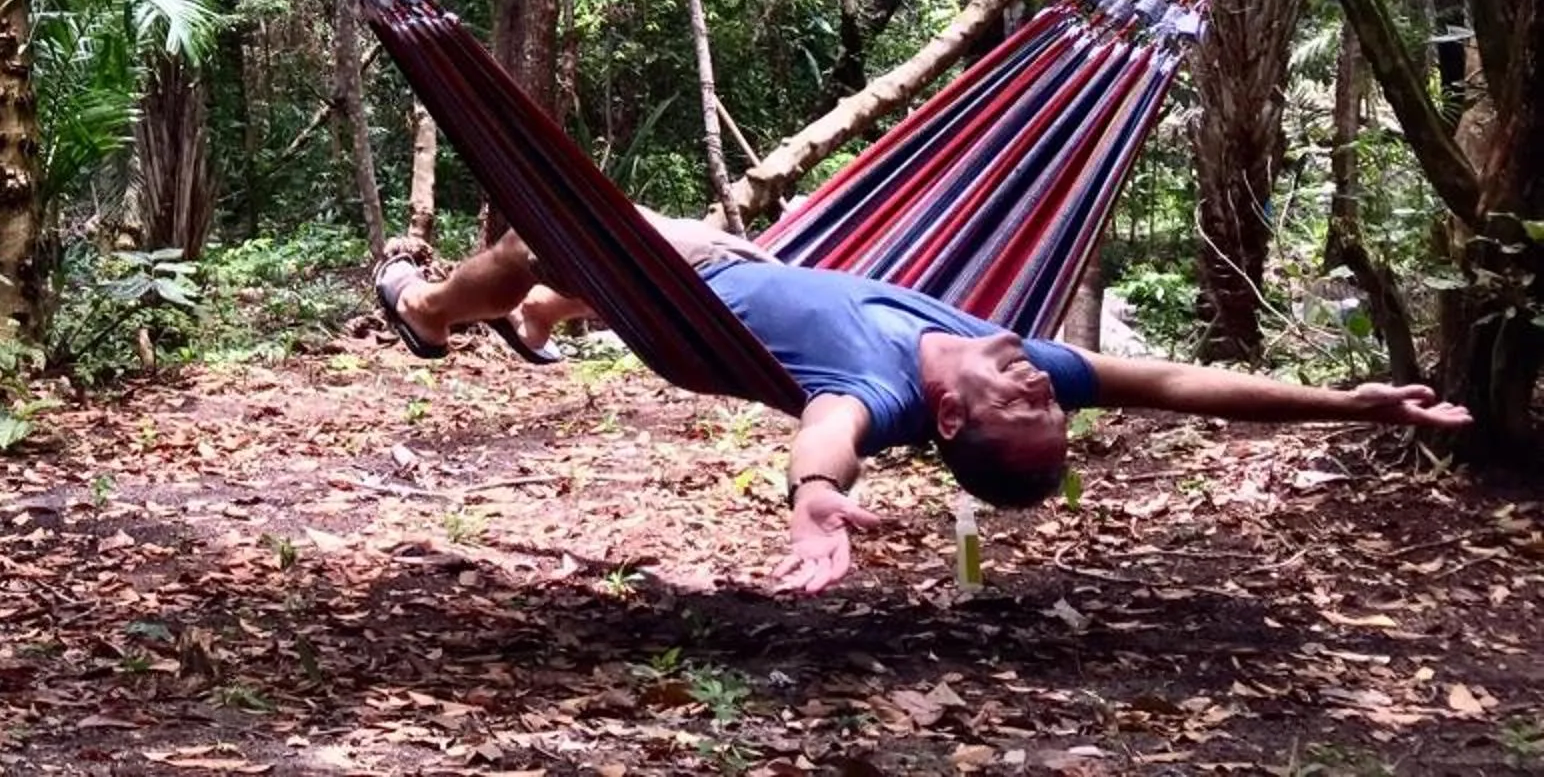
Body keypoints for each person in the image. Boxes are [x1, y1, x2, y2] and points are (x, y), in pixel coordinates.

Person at [375, 216, 1470, 593]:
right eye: (1053, 400)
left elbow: (829, 432)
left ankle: (429, 311)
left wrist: (814, 499)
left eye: (1025, 402)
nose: (1046, 382)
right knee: (567, 273)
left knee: (530, 237)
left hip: (692, 304)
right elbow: (1181, 386)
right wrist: (1350, 403)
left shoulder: (883, 394)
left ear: (947, 421)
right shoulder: (1005, 355)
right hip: (741, 273)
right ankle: (546, 318)